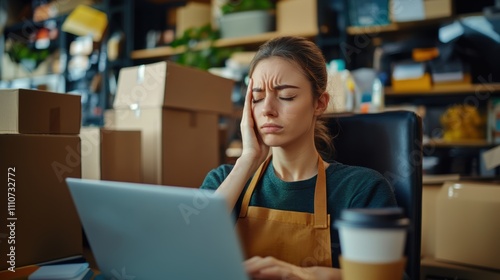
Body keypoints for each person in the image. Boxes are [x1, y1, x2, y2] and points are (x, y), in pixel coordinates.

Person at [200, 36, 398, 280]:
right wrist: (247, 160)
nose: (267, 109)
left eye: (286, 97)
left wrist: (305, 275)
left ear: (319, 103)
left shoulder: (360, 189)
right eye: (257, 97)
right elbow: (183, 256)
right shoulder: (224, 181)